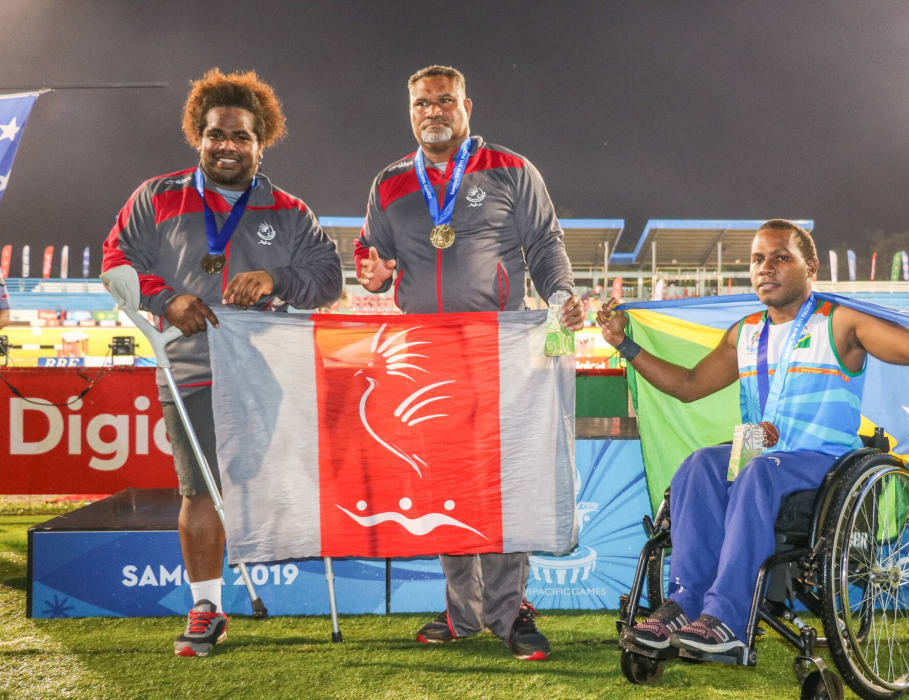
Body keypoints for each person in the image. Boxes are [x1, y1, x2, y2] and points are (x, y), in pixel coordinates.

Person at [597, 219, 909, 659]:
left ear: (810, 266)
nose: (766, 268)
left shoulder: (840, 323)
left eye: (781, 258)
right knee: (699, 464)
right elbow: (687, 384)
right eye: (758, 259)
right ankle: (685, 604)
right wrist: (625, 346)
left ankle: (726, 618)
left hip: (823, 462)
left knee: (758, 470)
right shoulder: (745, 333)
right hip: (760, 452)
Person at [101, 69, 342, 657]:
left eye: (241, 137)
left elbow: (328, 281)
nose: (227, 146)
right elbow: (116, 261)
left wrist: (276, 278)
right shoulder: (155, 196)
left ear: (263, 142)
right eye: (215, 135)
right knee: (200, 492)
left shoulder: (289, 210)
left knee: (272, 486)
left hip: (269, 375)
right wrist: (166, 298)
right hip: (190, 371)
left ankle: (308, 591)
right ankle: (207, 606)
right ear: (198, 136)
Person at [354, 65, 585, 660]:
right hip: (422, 356)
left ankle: (509, 612)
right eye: (422, 103)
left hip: (499, 350)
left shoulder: (511, 169)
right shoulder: (389, 182)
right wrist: (373, 270)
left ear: (467, 107)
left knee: (500, 483)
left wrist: (560, 294)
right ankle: (462, 611)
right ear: (410, 111)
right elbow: (372, 253)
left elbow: (545, 243)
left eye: (445, 101)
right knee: (445, 484)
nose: (434, 111)